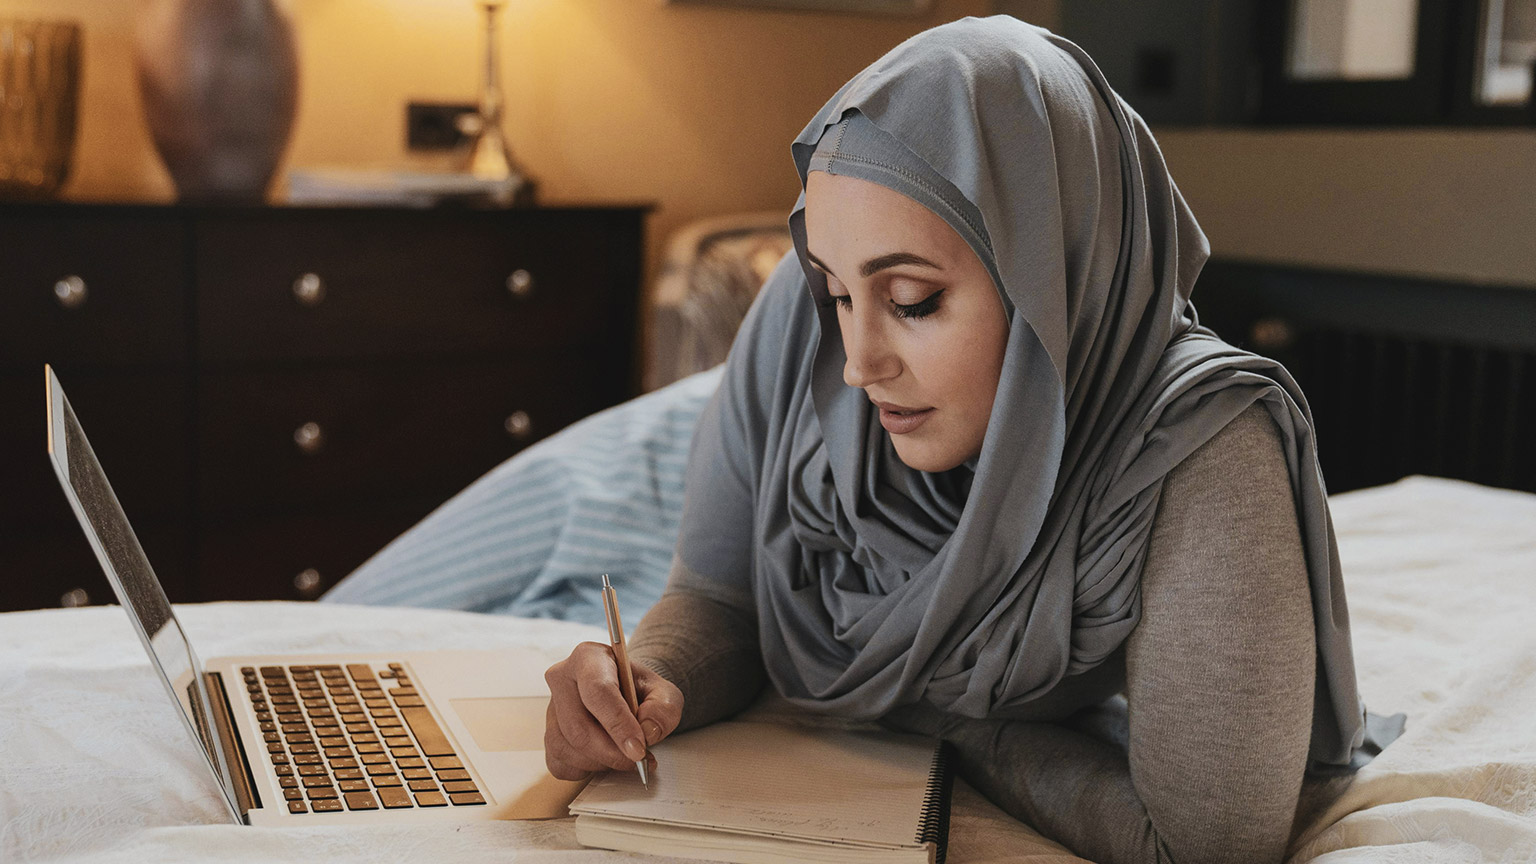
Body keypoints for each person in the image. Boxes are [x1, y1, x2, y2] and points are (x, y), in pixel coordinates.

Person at [542, 16, 1402, 864]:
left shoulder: (1203, 448)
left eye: (912, 299)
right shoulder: (798, 332)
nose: (855, 365)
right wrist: (645, 682)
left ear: (1058, 280)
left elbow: (1207, 844)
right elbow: (725, 598)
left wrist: (938, 723)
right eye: (838, 293)